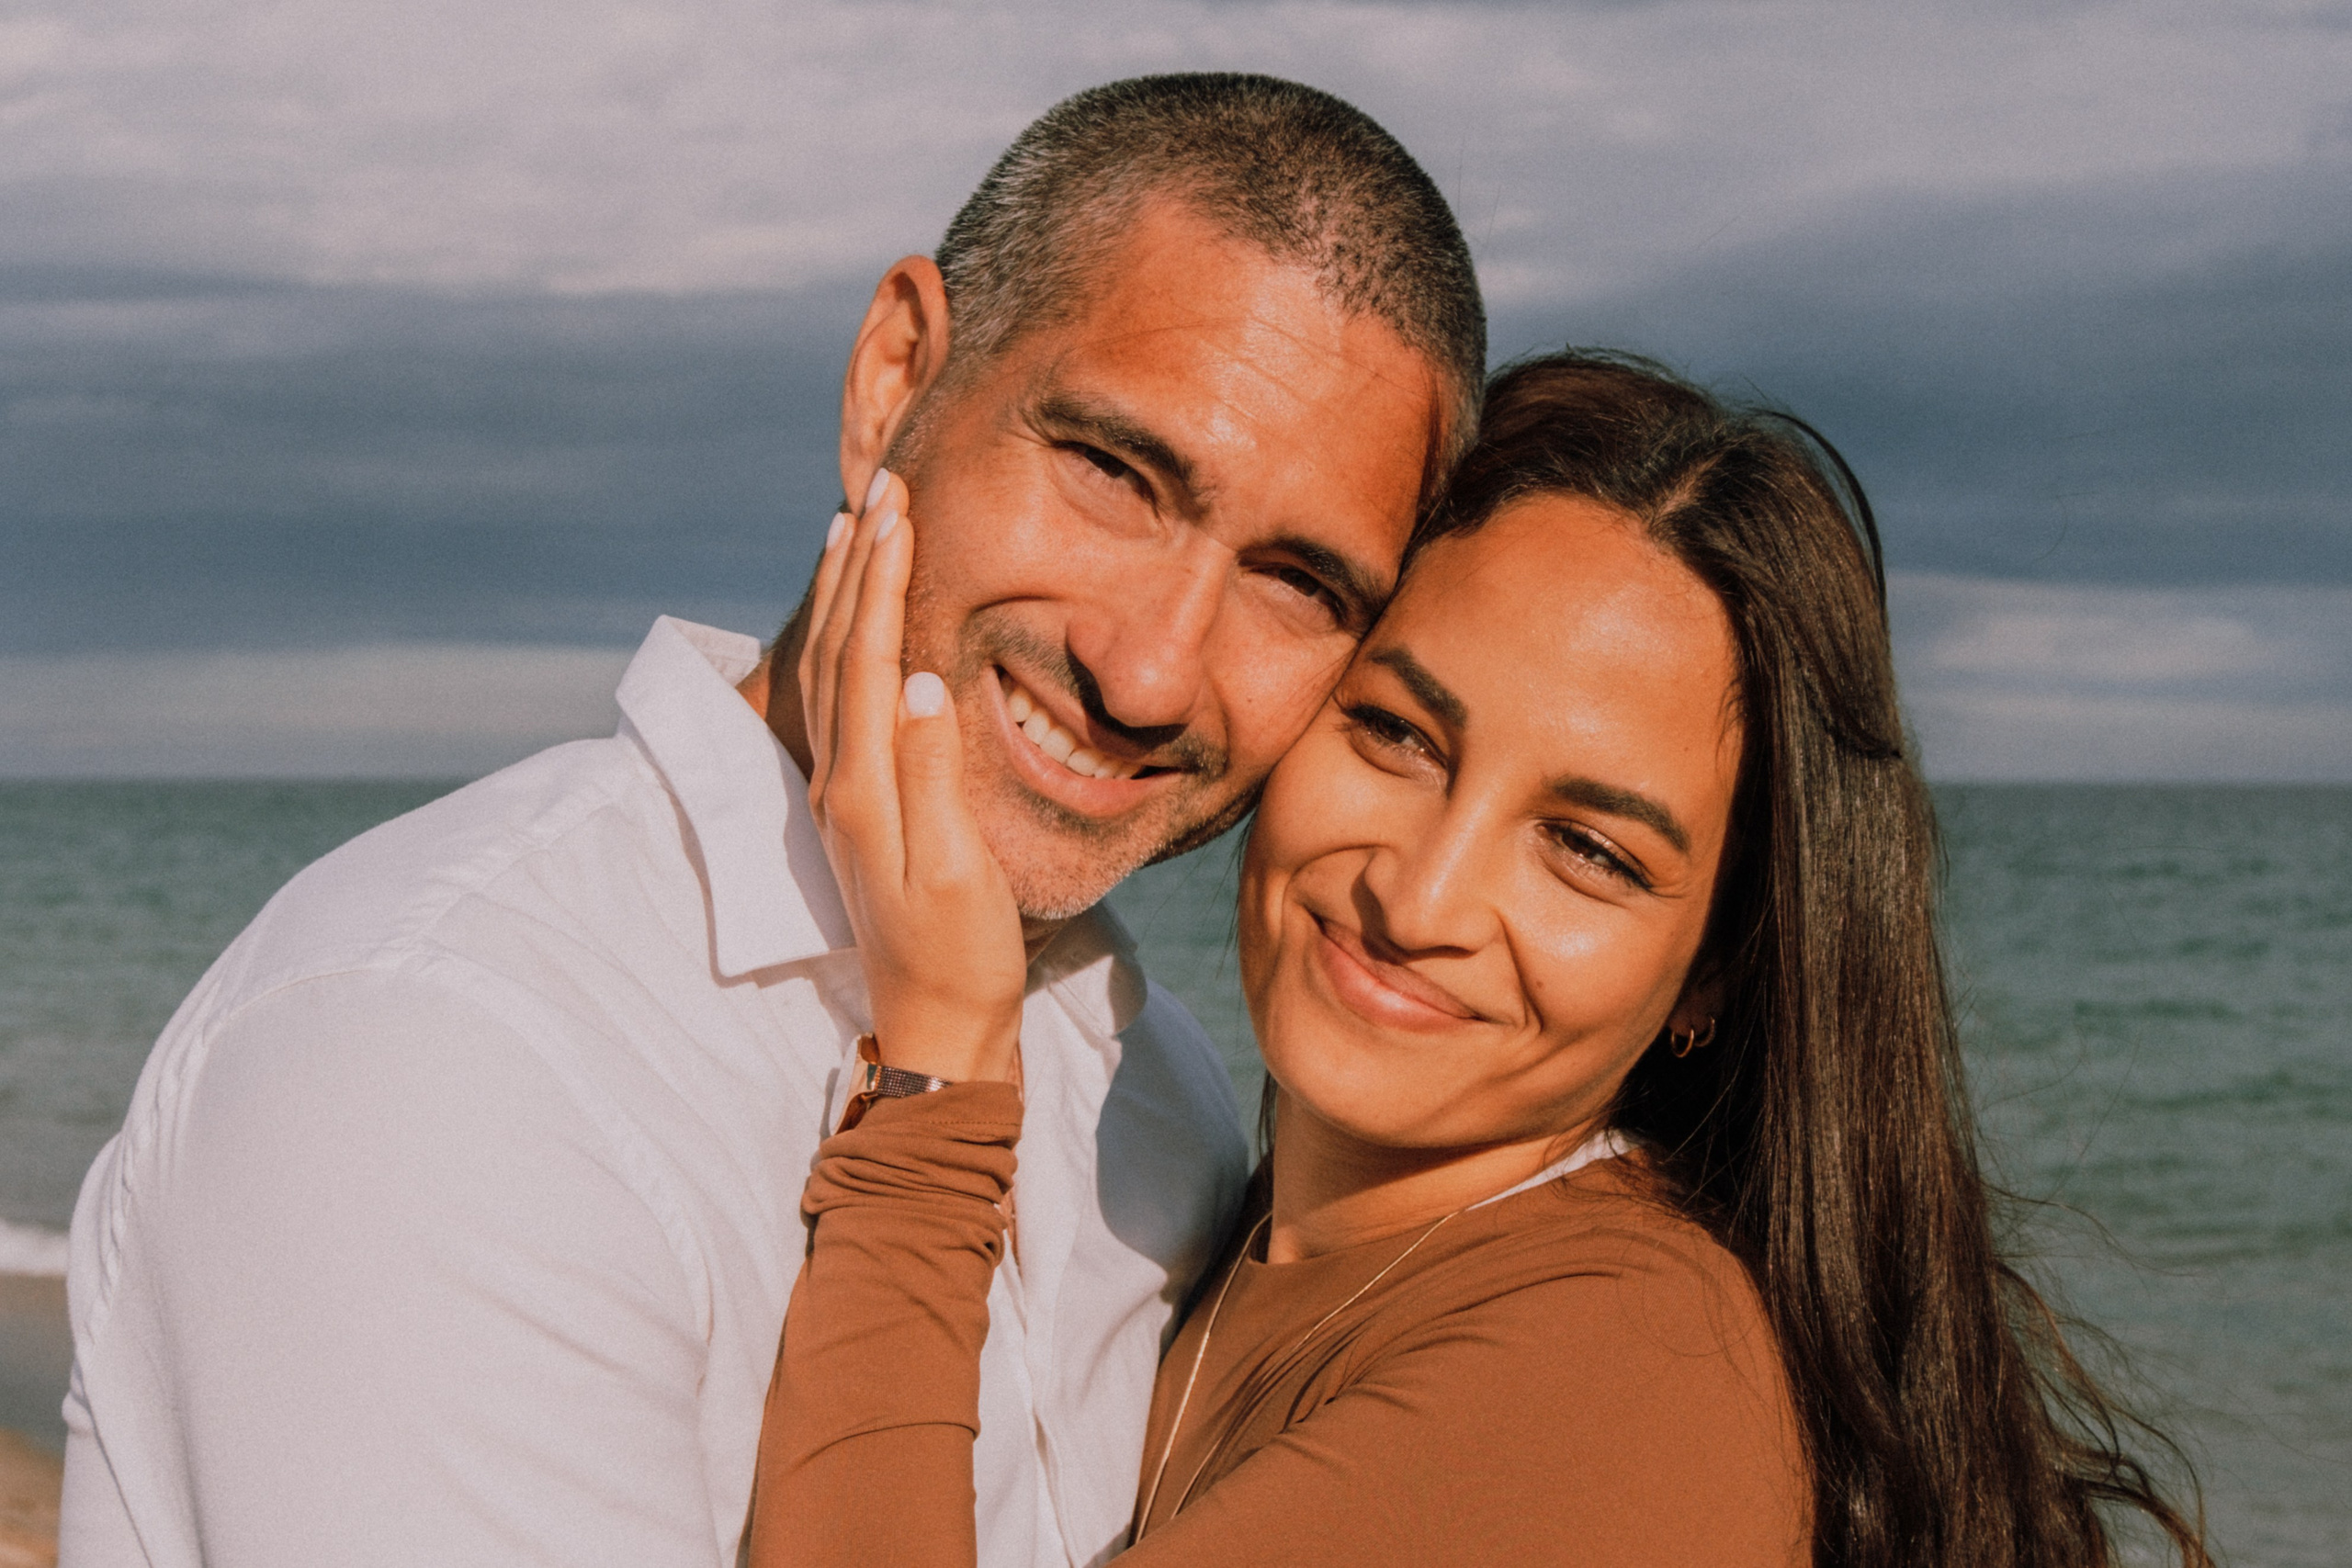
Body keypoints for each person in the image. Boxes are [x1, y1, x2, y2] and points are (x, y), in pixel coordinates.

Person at [58, 75, 1485, 1567]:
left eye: (1300, 584)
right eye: (1116, 473)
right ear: (893, 383)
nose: (1148, 670)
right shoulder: (443, 1053)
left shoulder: (1166, 1100)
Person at [752, 350, 2212, 1567]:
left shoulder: (1623, 1379)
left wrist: (938, 1077)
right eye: (1396, 734)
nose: (1423, 893)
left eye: (1590, 849)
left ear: (1713, 973)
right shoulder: (1249, 1217)